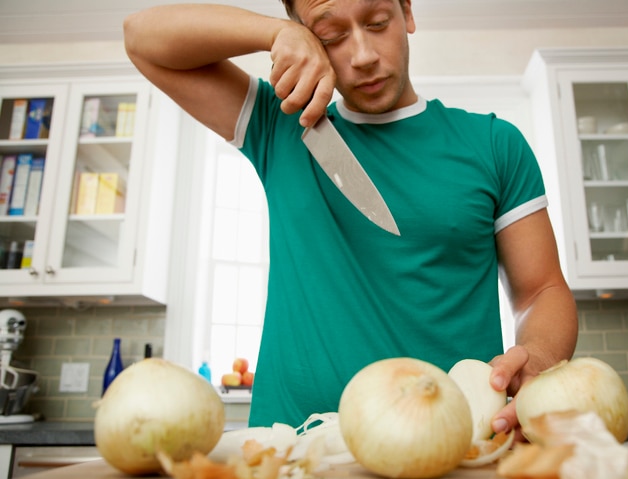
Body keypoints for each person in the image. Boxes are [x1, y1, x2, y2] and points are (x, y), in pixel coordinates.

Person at [123, 0, 578, 435]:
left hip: (455, 442)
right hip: (293, 446)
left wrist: (537, 355)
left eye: (378, 22)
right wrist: (275, 33)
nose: (362, 55)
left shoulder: (495, 144)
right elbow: (141, 37)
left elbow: (542, 290)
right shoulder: (281, 126)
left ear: (408, 12)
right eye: (330, 34)